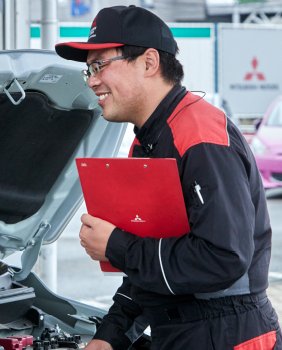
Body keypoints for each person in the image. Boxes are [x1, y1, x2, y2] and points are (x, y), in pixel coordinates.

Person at [56, 5, 280, 350]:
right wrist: (112, 334)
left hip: (230, 334)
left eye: (100, 65)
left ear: (149, 62)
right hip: (183, 332)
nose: (91, 80)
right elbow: (154, 261)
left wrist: (116, 246)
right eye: (88, 69)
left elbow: (223, 258)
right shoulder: (146, 143)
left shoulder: (200, 134)